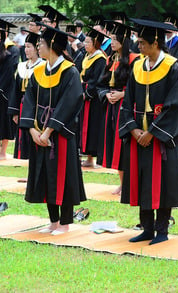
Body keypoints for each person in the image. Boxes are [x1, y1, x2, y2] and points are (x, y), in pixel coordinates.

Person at [119, 18, 178, 245]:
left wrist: (153, 132)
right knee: (142, 180)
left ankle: (162, 230)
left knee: (163, 182)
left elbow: (175, 104)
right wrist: (133, 129)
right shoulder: (138, 66)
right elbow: (127, 101)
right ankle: (146, 227)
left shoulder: (172, 67)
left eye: (142, 43)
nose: (138, 46)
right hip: (139, 135)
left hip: (160, 137)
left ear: (155, 42)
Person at [20, 25, 86, 234]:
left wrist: (49, 131)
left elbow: (70, 103)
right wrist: (32, 129)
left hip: (61, 135)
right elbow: (29, 100)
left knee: (63, 176)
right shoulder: (38, 71)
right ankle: (53, 221)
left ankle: (65, 222)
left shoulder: (70, 71)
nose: (38, 47)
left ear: (52, 46)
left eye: (41, 43)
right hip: (39, 133)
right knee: (46, 175)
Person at [97, 22, 139, 194]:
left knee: (125, 144)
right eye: (111, 39)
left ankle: (131, 182)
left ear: (124, 40)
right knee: (115, 144)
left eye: (115, 39)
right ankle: (122, 182)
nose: (112, 42)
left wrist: (123, 95)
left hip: (126, 105)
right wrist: (106, 94)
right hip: (111, 106)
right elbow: (101, 84)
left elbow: (138, 85)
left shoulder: (134, 59)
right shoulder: (109, 59)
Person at [8, 31, 44, 159]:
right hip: (23, 106)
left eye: (29, 47)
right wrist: (15, 111)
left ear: (36, 48)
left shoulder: (43, 66)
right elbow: (15, 90)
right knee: (23, 138)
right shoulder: (22, 66)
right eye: (25, 46)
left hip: (37, 106)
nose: (26, 50)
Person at [79, 28, 108, 168]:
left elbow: (97, 79)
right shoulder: (86, 57)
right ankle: (87, 157)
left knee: (92, 127)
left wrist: (87, 93)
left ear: (96, 43)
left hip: (93, 99)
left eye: (88, 42)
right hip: (83, 96)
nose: (85, 44)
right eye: (85, 41)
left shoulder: (100, 59)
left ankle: (92, 158)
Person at [0, 23, 17, 160]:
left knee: (4, 123)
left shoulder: (10, 53)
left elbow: (8, 74)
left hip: (4, 93)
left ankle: (3, 152)